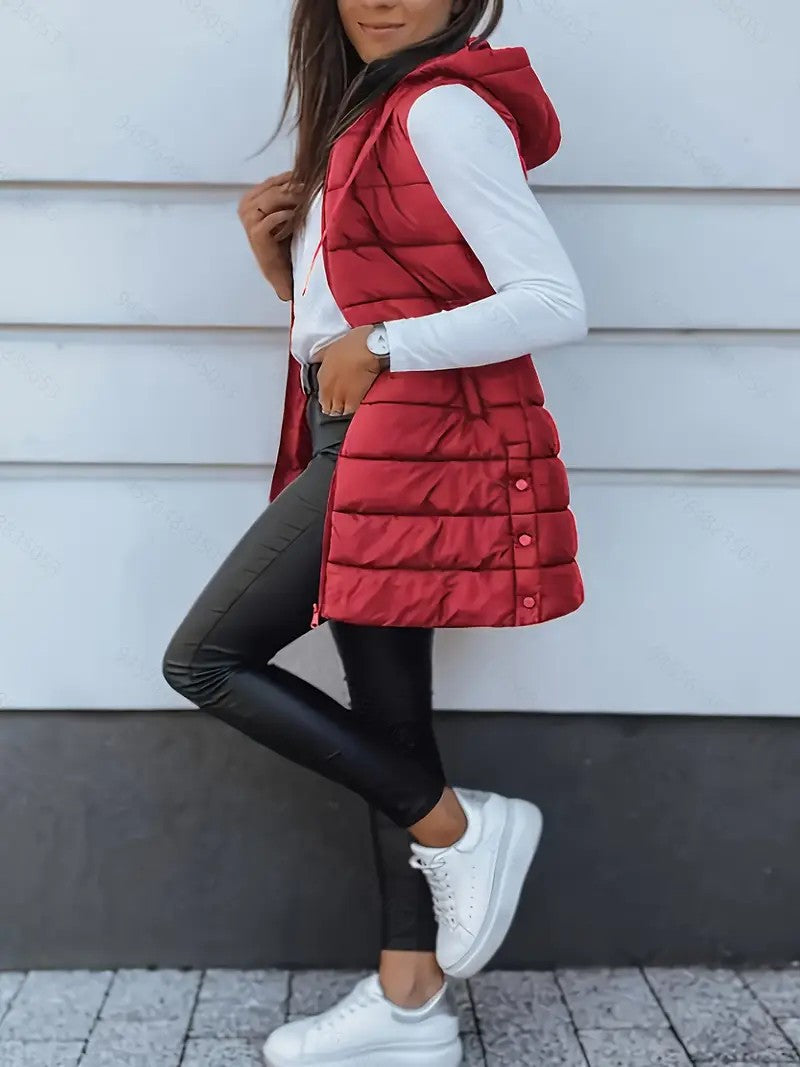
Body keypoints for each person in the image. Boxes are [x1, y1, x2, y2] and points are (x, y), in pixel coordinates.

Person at [162, 1, 588, 1064]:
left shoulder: (440, 109)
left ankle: (458, 826)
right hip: (361, 428)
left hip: (399, 438)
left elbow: (551, 299)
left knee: (207, 657)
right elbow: (349, 316)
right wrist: (285, 272)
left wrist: (386, 343)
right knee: (388, 717)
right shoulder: (369, 113)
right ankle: (409, 1005)